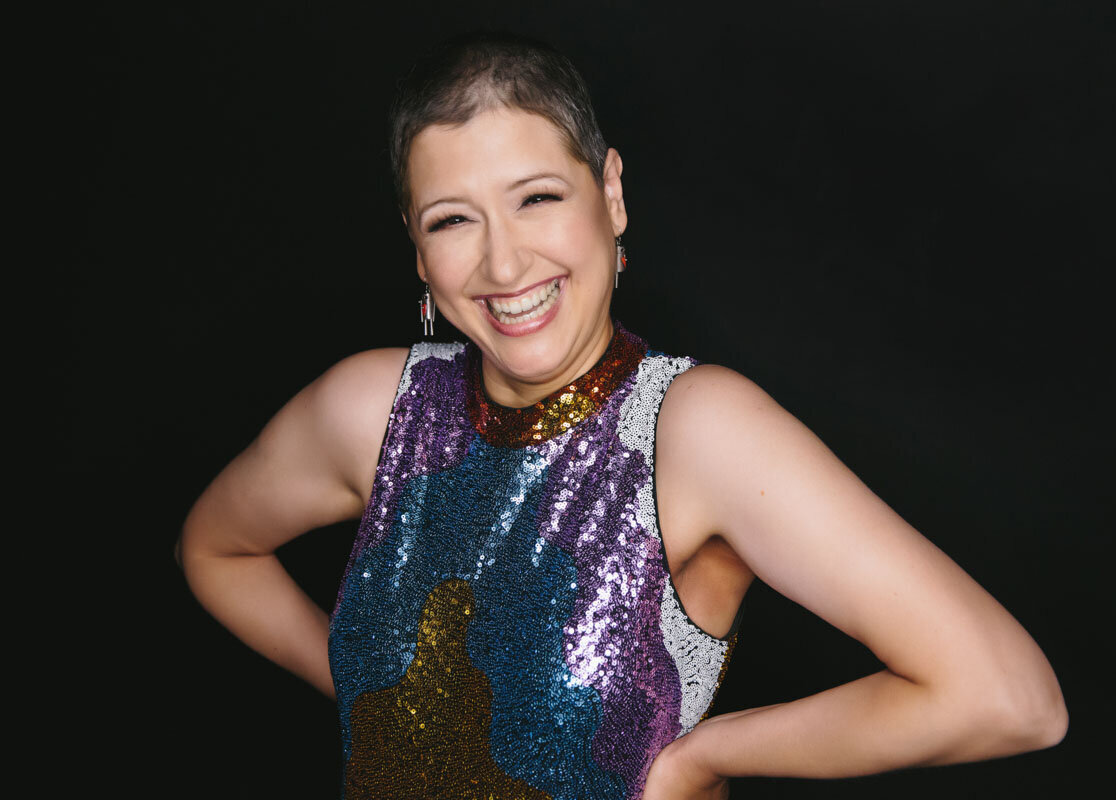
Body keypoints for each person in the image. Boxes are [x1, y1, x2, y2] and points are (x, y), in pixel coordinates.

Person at [176, 31, 1067, 800]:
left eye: (537, 198)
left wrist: (703, 757)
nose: (503, 261)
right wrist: (370, 693)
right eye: (453, 220)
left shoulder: (696, 430)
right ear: (417, 250)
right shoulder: (369, 407)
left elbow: (1009, 697)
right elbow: (215, 548)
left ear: (609, 193)